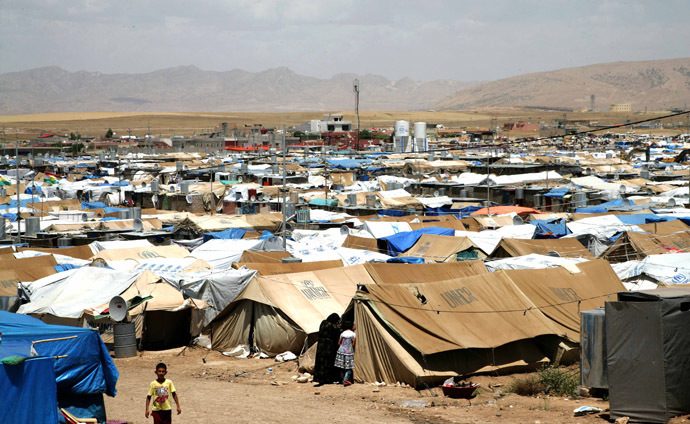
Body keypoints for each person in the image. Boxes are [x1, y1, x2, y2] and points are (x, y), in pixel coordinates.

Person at [313, 313, 341, 386]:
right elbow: (337, 331)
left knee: (320, 363)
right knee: (328, 363)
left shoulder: (323, 323)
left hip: (321, 346)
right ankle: (328, 379)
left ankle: (320, 379)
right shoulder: (331, 326)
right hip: (328, 346)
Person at [335, 322, 356, 386]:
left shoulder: (342, 333)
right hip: (348, 352)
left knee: (341, 366)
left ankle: (342, 379)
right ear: (351, 326)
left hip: (341, 351)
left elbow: (339, 343)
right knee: (349, 367)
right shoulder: (353, 334)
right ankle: (346, 379)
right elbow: (353, 344)